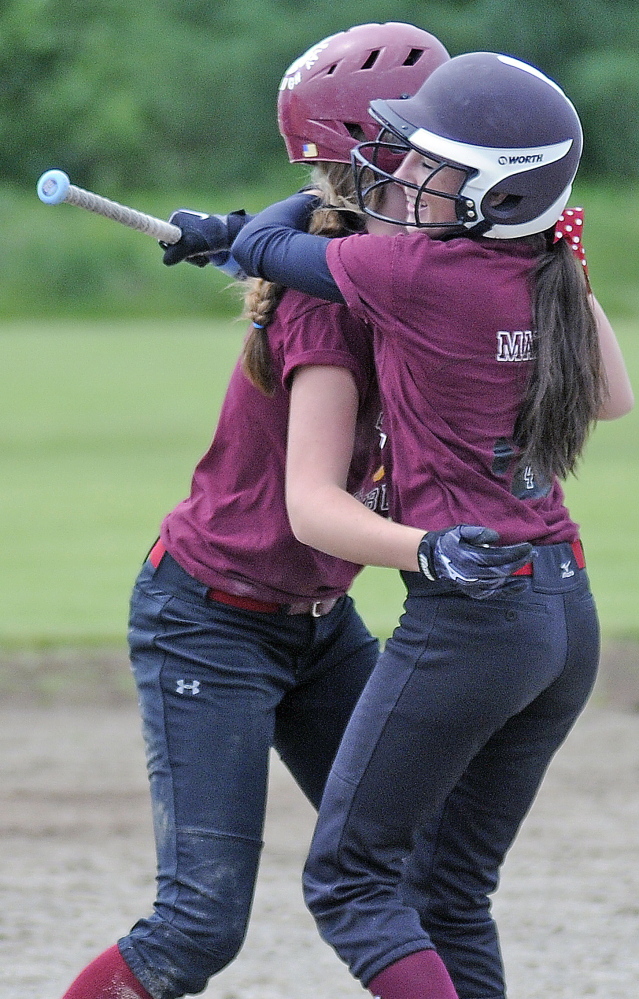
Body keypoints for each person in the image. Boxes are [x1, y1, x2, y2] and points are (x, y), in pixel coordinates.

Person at [57, 23, 454, 999]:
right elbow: (312, 503)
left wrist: (244, 231)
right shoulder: (329, 301)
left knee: (414, 874)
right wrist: (441, 551)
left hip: (319, 626)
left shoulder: (397, 274)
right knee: (197, 928)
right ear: (386, 165)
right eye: (439, 149)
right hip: (209, 622)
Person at [229, 52, 634, 999]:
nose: (407, 177)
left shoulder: (417, 272)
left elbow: (270, 248)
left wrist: (231, 230)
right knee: (448, 893)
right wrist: (553, 246)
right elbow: (613, 395)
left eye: (432, 166)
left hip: (475, 616)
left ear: (492, 195)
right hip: (564, 615)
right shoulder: (542, 265)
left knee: (349, 882)